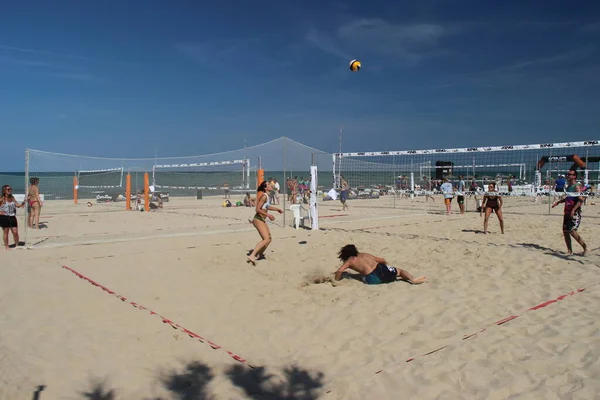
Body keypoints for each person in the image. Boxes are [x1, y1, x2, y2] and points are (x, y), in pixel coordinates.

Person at [334, 244, 426, 285]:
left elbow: (339, 271)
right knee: (400, 271)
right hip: (384, 272)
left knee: (356, 276)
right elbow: (382, 260)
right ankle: (412, 279)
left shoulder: (349, 261)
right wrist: (386, 267)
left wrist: (336, 280)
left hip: (373, 280)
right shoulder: (366, 255)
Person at [552, 169, 587, 256]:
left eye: (570, 174)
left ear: (574, 176)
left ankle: (585, 248)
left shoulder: (577, 186)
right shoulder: (568, 187)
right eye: (568, 174)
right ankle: (569, 251)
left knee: (572, 231)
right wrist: (558, 202)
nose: (568, 176)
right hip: (567, 212)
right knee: (565, 231)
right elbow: (568, 198)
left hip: (574, 212)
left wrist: (573, 210)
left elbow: (580, 200)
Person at [247, 180, 283, 265]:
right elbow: (257, 209)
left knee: (269, 239)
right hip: (258, 219)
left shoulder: (267, 196)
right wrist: (268, 215)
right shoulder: (264, 196)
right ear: (265, 188)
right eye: (268, 185)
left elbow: (267, 206)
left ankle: (260, 254)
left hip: (262, 219)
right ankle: (252, 255)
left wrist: (277, 209)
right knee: (266, 239)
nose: (270, 185)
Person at [0, 185, 26, 250]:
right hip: (4, 217)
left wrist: (23, 202)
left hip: (12, 217)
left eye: (10, 189)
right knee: (6, 232)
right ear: (4, 191)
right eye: (8, 189)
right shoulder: (2, 199)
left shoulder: (12, 197)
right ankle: (7, 246)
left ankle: (17, 244)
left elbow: (17, 205)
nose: (10, 190)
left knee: (15, 232)